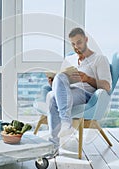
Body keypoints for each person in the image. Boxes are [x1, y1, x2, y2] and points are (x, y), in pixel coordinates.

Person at [46, 27, 112, 155]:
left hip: (86, 95)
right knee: (54, 92)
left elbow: (107, 86)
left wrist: (87, 79)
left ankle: (64, 124)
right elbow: (62, 81)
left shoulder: (99, 59)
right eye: (73, 44)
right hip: (68, 92)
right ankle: (55, 144)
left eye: (79, 42)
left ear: (86, 40)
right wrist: (53, 83)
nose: (76, 47)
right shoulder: (70, 59)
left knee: (54, 95)